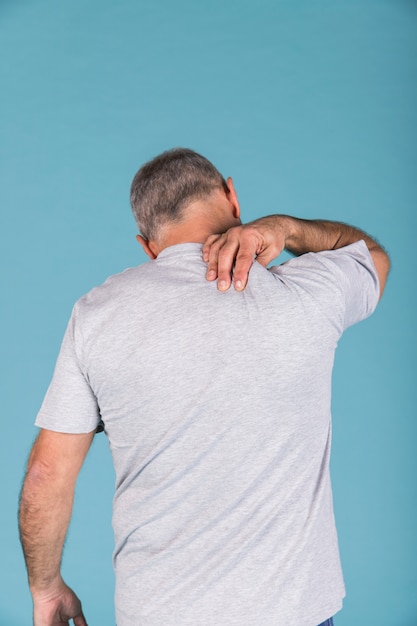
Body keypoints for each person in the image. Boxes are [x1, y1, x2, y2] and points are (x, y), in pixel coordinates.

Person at [19, 148, 390, 626]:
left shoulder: (96, 315)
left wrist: (47, 589)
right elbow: (372, 258)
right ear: (233, 197)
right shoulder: (307, 293)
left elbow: (46, 476)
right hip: (291, 613)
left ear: (147, 246)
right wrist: (286, 228)